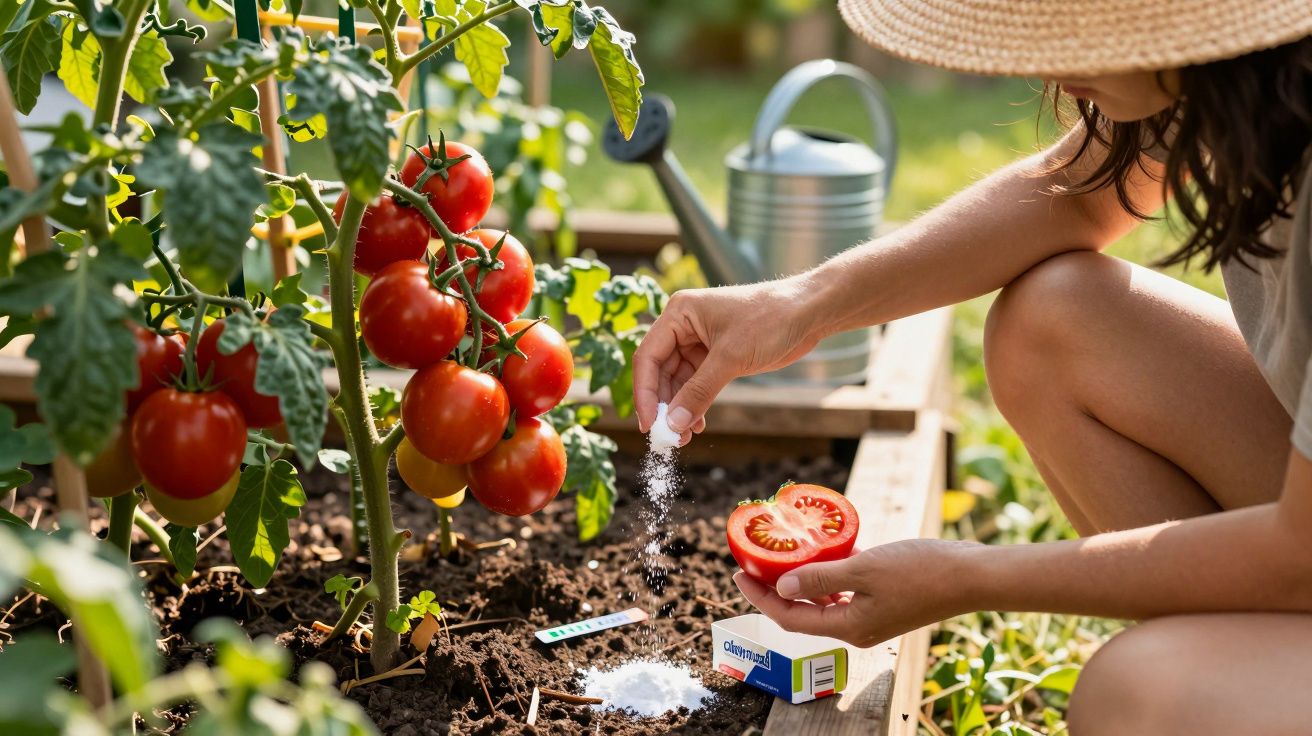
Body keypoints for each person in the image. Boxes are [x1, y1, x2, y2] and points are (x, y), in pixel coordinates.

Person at [631, 2, 1312, 732]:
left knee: (1141, 696)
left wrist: (968, 574)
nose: (1045, 66)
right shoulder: (1234, 76)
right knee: (1052, 322)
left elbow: (1298, 551)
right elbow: (1076, 193)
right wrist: (799, 303)